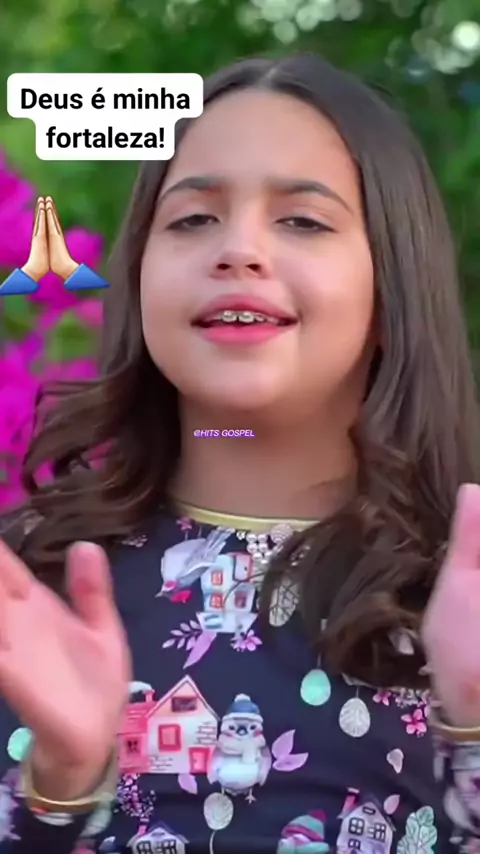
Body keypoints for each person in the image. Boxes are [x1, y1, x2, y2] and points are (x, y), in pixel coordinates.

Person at [0, 52, 480, 854]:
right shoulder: (28, 593)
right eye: (193, 219)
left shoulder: (457, 599)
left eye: (303, 221)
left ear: (391, 292)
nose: (238, 250)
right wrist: (59, 792)